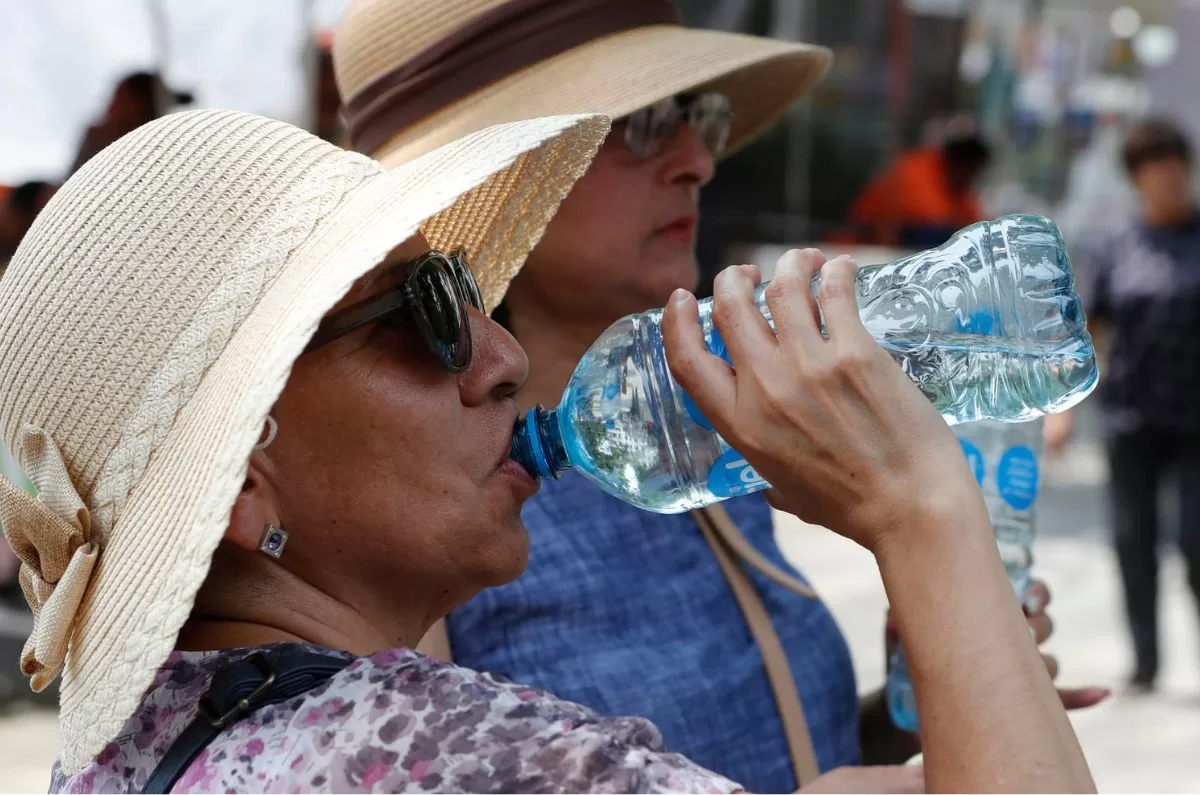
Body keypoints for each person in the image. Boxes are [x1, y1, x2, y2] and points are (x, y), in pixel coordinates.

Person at [0, 107, 1094, 794]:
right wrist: (922, 511)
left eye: (472, 294)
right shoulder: (454, 752)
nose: (504, 357)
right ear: (239, 480)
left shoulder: (145, 738)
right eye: (422, 312)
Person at [332, 1, 1103, 788]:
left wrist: (955, 681)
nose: (697, 158)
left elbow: (754, 752)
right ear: (491, 181)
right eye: (641, 123)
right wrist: (927, 520)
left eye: (698, 115)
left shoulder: (701, 415)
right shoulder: (438, 510)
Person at [1047, 117, 1200, 694]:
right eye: (1156, 169)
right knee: (1133, 544)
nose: (1170, 178)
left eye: (1177, 165)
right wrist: (1060, 411)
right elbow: (1085, 331)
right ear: (1137, 179)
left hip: (1196, 423)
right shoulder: (1116, 246)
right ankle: (1146, 664)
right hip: (1131, 419)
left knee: (1196, 540)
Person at [833, 122, 992, 249]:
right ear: (961, 164)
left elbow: (974, 223)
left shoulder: (956, 185)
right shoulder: (916, 169)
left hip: (885, 254)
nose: (973, 178)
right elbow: (931, 220)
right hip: (859, 250)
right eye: (972, 171)